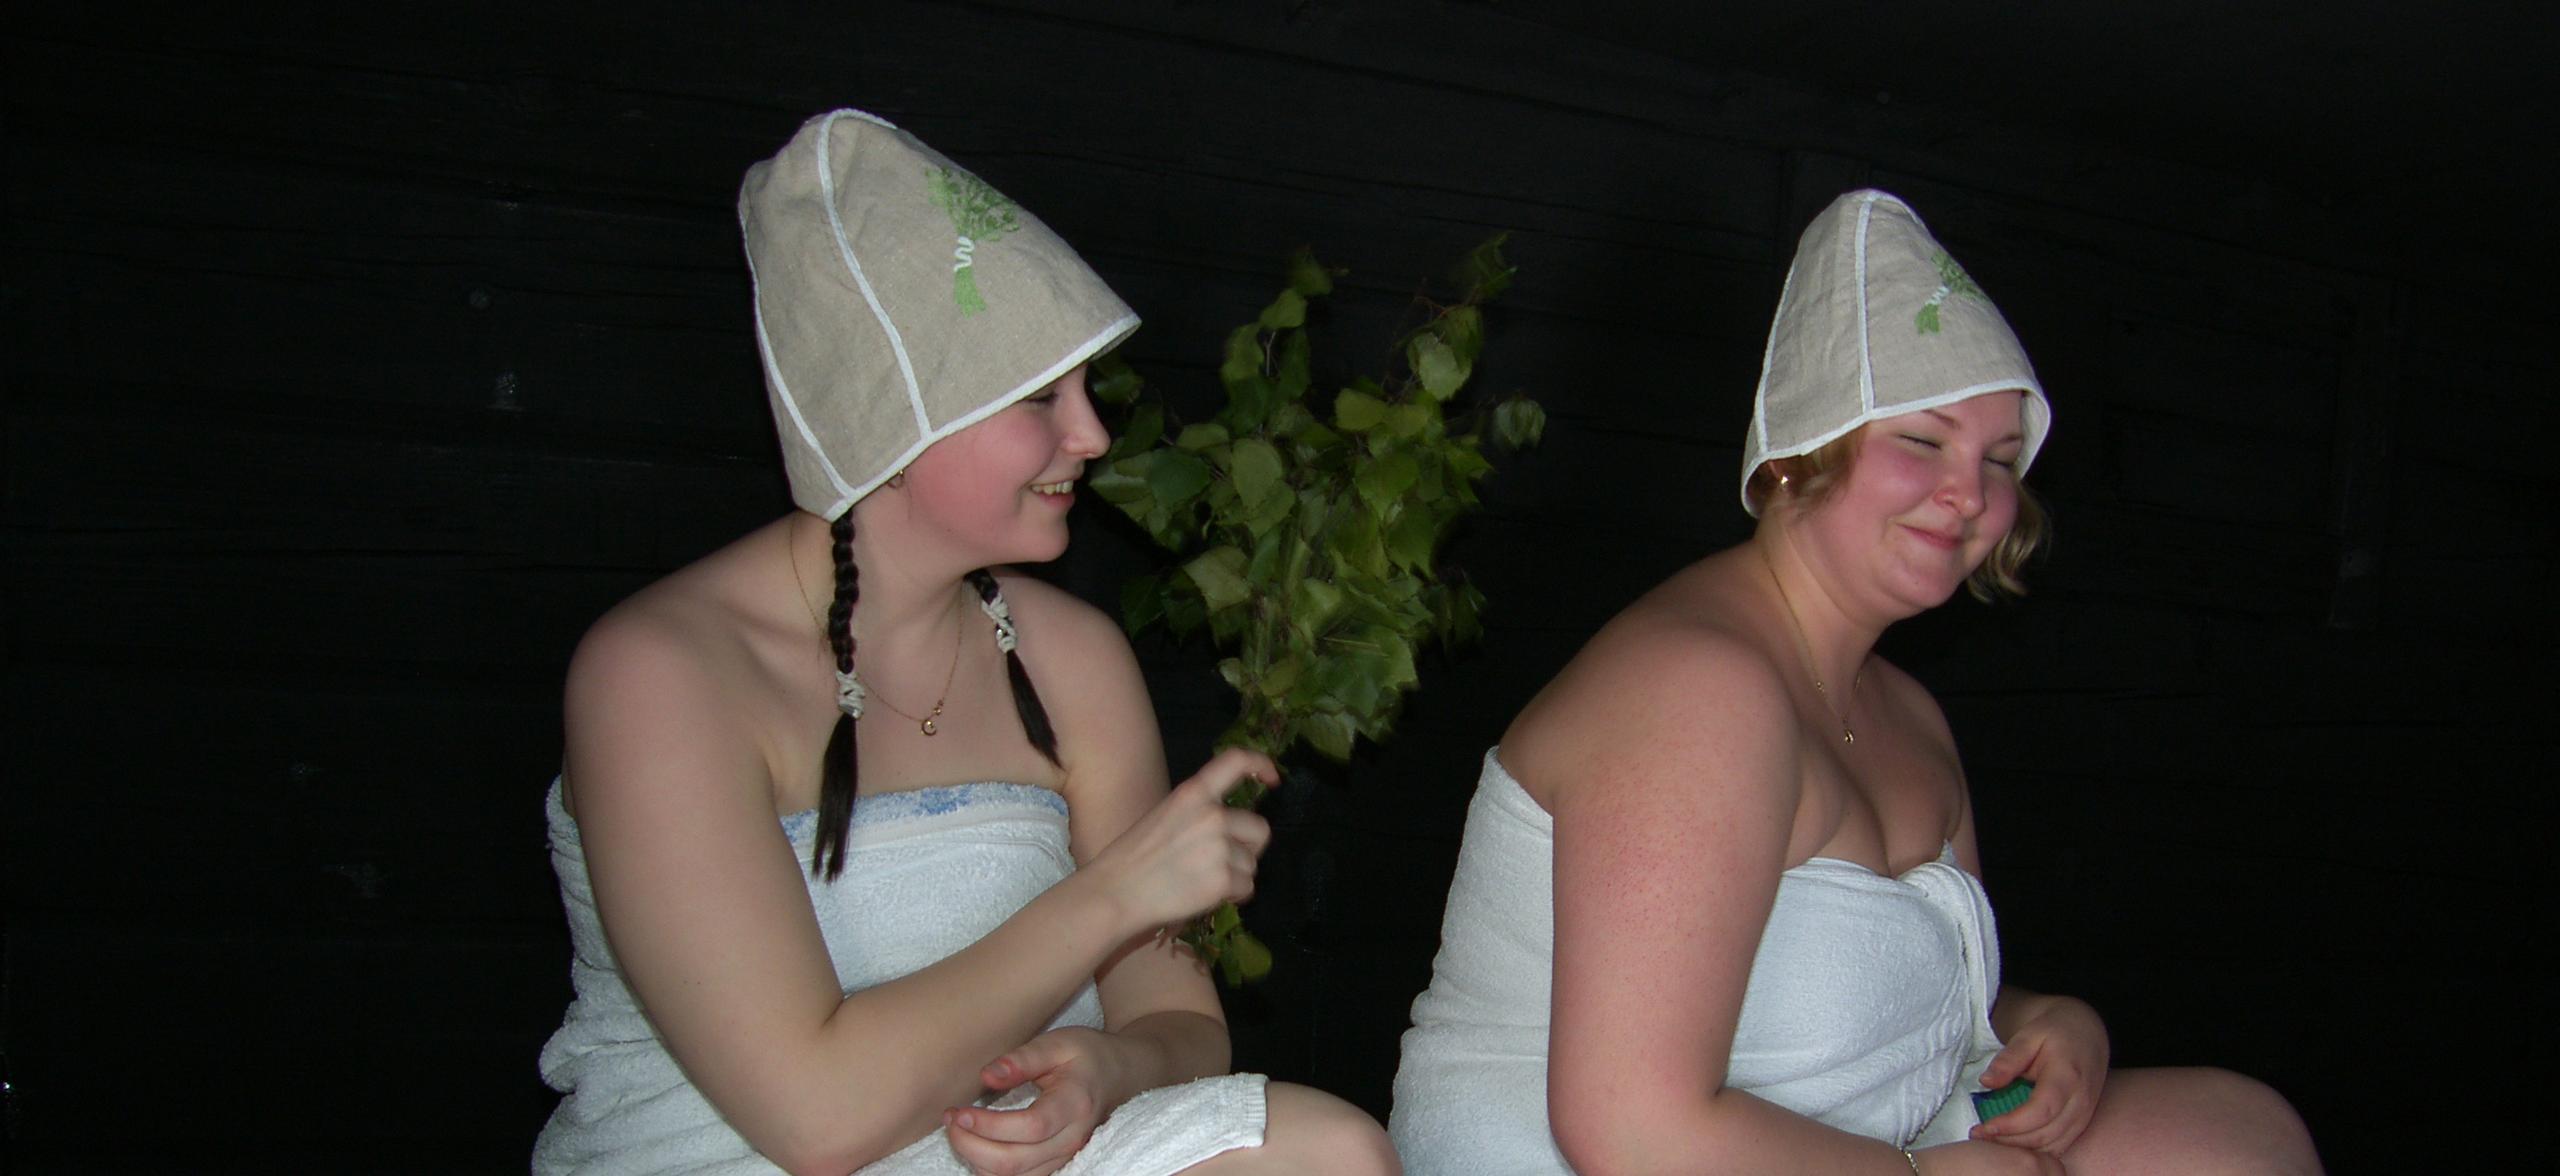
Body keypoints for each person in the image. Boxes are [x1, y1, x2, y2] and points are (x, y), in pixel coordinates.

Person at [533, 109, 1399, 1176]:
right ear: (891, 428)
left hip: (1008, 1150)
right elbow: (814, 1122)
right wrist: (1116, 892)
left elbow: (1179, 1022)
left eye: (1083, 390)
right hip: (730, 1157)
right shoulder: (662, 676)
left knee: (1327, 1151)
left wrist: (1108, 1070)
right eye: (1039, 397)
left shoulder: (1071, 658)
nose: (1090, 435)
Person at [1388, 190, 2320, 1175]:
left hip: (1861, 1139)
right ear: (1800, 454)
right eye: (1922, 442)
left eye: (2000, 460)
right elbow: (1631, 1128)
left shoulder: (1905, 712)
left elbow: (1896, 986)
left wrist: (2042, 1020)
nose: (1969, 495)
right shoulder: (1694, 691)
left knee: (2233, 1137)